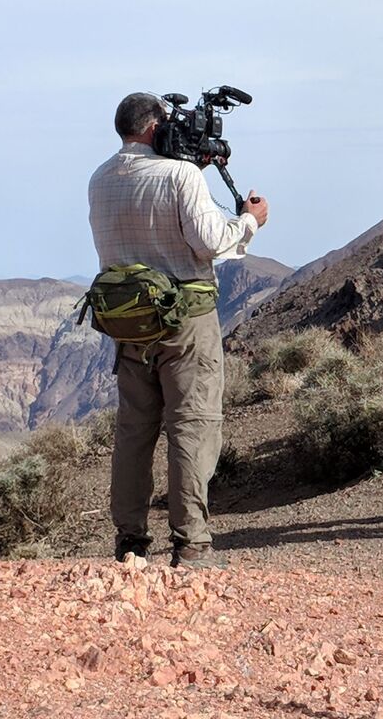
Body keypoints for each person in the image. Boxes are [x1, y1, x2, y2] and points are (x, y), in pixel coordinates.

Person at [88, 92, 269, 568]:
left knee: (134, 430)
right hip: (186, 321)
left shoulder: (100, 179)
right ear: (152, 128)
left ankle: (129, 541)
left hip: (129, 323)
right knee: (192, 425)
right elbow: (209, 241)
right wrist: (249, 221)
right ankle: (191, 543)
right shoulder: (180, 175)